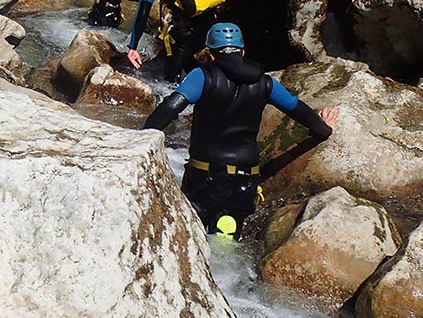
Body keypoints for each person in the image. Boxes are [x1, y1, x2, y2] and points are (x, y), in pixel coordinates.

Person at [139, 22, 340, 238]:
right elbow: (296, 108)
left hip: (204, 176)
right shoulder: (265, 83)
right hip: (245, 180)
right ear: (243, 52)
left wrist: (140, 135)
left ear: (212, 54)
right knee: (229, 233)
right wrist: (324, 129)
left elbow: (171, 106)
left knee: (192, 235)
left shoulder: (202, 76)